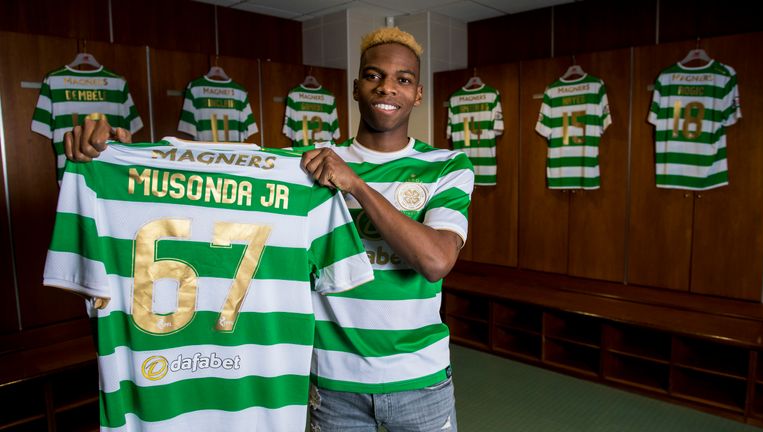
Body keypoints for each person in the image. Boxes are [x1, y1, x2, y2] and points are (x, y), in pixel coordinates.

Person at [65, 26, 475, 432]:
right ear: (355, 87)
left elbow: (436, 260)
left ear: (418, 93)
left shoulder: (447, 166)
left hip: (421, 379)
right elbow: (209, 182)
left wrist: (356, 184)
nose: (387, 88)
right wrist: (118, 156)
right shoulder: (306, 166)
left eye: (403, 79)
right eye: (374, 76)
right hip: (331, 383)